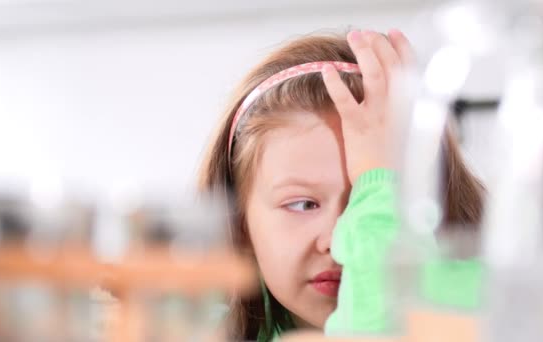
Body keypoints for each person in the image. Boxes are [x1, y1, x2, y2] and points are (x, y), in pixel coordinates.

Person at [197, 29, 484, 341]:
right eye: (303, 204)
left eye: (381, 202)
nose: (338, 241)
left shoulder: (488, 306)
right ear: (239, 226)